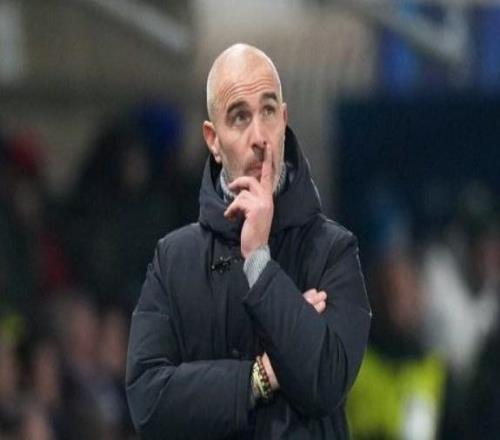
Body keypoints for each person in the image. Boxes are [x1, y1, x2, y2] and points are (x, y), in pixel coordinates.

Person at [126, 43, 371, 439]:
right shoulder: (173, 259)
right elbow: (148, 403)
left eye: (268, 111)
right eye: (240, 117)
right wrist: (259, 376)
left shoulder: (333, 250)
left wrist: (258, 260)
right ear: (213, 139)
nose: (259, 136)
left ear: (284, 120)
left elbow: (325, 382)